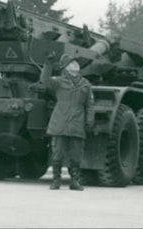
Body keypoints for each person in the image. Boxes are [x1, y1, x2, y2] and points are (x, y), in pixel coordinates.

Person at [40, 53, 94, 191]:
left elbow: (89, 105)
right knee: (57, 153)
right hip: (60, 123)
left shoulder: (86, 85)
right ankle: (56, 180)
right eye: (72, 63)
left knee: (76, 154)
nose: (75, 64)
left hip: (77, 124)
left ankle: (74, 181)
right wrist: (48, 64)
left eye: (76, 63)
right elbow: (45, 81)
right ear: (65, 68)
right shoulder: (58, 82)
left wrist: (89, 120)